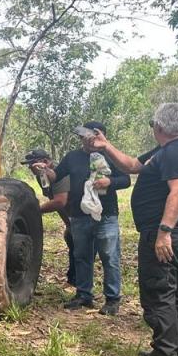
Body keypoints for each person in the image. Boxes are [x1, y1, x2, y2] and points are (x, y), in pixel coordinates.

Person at [89, 103, 178, 356]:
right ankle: (176, 350)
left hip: (166, 234)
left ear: (159, 127)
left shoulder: (175, 152)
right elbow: (131, 165)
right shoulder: (170, 150)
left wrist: (164, 232)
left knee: (159, 292)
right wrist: (106, 146)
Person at [51, 122, 130, 315]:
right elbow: (56, 176)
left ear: (100, 137)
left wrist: (109, 181)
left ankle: (112, 299)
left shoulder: (110, 155)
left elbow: (126, 179)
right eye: (83, 137)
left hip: (106, 214)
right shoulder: (72, 157)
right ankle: (83, 294)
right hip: (79, 215)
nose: (85, 141)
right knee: (82, 256)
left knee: (109, 256)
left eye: (89, 137)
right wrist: (44, 171)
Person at [24, 149, 75, 286]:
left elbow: (59, 201)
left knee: (78, 244)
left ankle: (78, 281)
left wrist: (35, 211)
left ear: (45, 162)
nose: (30, 168)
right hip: (69, 217)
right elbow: (52, 196)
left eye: (33, 164)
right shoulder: (41, 176)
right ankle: (74, 279)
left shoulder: (59, 172)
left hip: (80, 214)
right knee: (71, 239)